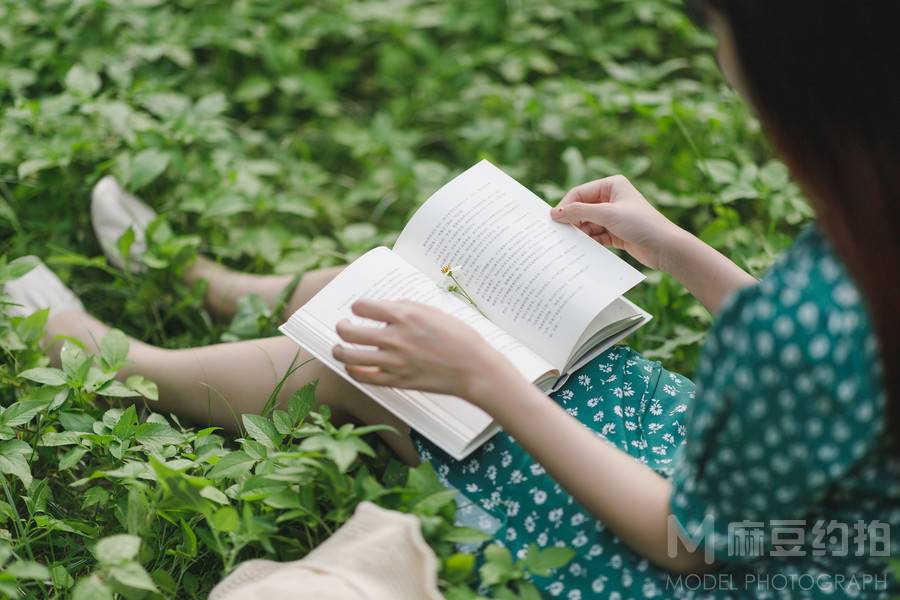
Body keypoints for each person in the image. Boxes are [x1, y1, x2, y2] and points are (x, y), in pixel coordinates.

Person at [4, 1, 899, 598]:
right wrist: (675, 246)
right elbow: (841, 341)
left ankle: (122, 364)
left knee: (375, 360)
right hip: (793, 522)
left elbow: (687, 544)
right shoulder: (874, 216)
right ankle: (217, 287)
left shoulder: (807, 323)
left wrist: (486, 382)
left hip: (709, 564)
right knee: (427, 298)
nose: (719, 49)